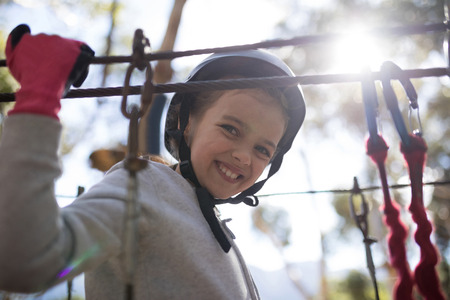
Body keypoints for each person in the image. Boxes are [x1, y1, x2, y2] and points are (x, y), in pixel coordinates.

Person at [0, 24, 306, 299]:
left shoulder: (220, 233)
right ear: (188, 124)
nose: (243, 156)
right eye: (230, 129)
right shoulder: (146, 186)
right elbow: (26, 259)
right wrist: (39, 98)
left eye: (263, 150)